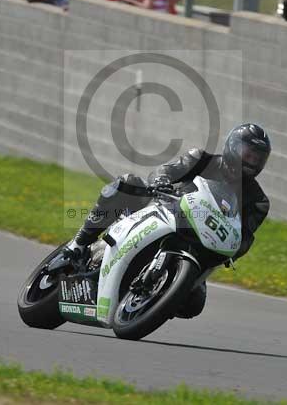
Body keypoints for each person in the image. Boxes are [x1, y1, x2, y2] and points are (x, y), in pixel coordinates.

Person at [61, 123, 272, 319]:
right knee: (126, 184)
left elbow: (245, 235)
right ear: (233, 147)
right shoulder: (200, 159)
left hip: (202, 244)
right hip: (163, 209)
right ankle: (78, 243)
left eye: (257, 159)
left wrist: (234, 249)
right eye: (248, 154)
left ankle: (155, 298)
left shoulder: (258, 201)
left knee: (193, 304)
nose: (251, 162)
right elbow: (166, 170)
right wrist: (161, 181)